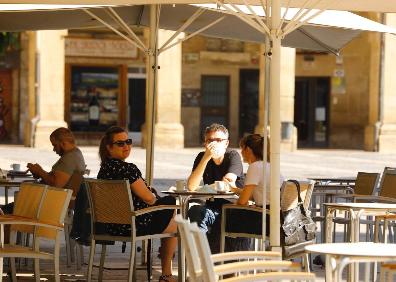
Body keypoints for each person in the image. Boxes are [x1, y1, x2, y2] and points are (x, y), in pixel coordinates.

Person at [97, 126, 177, 282]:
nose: (126, 146)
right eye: (120, 143)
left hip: (110, 226)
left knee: (170, 216)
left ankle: (165, 265)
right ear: (109, 148)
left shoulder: (103, 170)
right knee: (172, 208)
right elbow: (148, 199)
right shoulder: (128, 169)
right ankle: (166, 274)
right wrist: (156, 199)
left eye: (128, 141)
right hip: (134, 224)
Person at [187, 123, 247, 253]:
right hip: (213, 208)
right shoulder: (201, 157)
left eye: (219, 140)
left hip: (233, 209)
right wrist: (206, 157)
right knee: (194, 212)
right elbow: (191, 186)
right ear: (205, 143)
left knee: (219, 227)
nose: (214, 144)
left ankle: (209, 257)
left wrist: (207, 187)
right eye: (210, 140)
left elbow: (228, 181)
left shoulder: (232, 156)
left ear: (226, 143)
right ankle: (200, 256)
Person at [1, 127, 86, 215]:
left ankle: (5, 216)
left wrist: (40, 171)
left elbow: (55, 184)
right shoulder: (75, 153)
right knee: (9, 206)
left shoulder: (69, 158)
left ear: (63, 143)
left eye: (55, 145)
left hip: (46, 202)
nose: (54, 149)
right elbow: (55, 178)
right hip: (43, 199)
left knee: (8, 208)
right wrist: (39, 173)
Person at [225, 134, 284, 236]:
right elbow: (256, 194)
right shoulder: (269, 165)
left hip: (266, 220)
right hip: (279, 218)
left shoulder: (255, 167)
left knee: (225, 213)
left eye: (242, 149)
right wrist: (234, 189)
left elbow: (242, 202)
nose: (241, 153)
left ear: (248, 149)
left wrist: (239, 202)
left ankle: (229, 249)